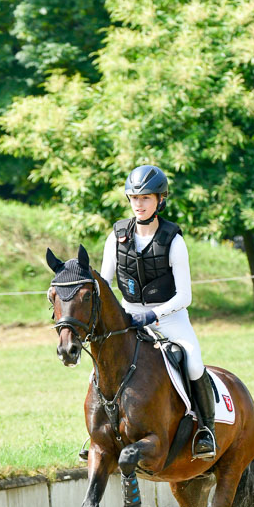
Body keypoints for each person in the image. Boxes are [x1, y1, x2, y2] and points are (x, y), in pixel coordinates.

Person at [101, 164, 216, 458]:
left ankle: (205, 429)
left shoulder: (174, 241)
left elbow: (185, 295)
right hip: (128, 314)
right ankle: (99, 430)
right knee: (105, 363)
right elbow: (105, 284)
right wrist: (118, 314)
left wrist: (153, 315)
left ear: (159, 200)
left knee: (192, 362)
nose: (139, 205)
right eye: (134, 199)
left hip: (169, 316)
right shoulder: (115, 237)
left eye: (146, 198)